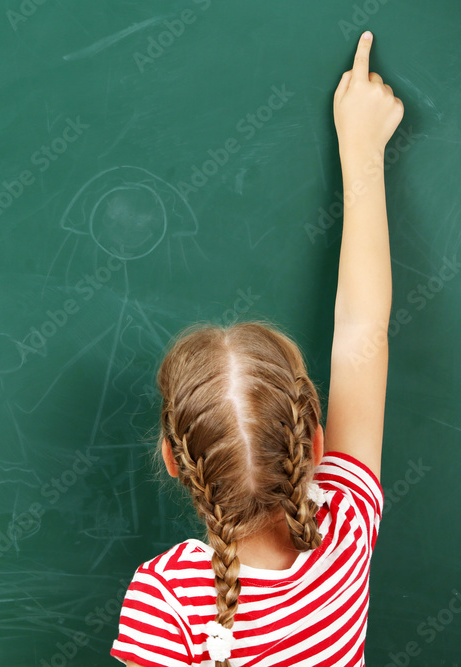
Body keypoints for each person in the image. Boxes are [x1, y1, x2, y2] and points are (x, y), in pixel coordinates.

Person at [111, 30, 403, 666]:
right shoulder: (343, 531)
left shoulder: (167, 605)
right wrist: (362, 150)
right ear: (315, 445)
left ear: (171, 458)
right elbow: (363, 326)